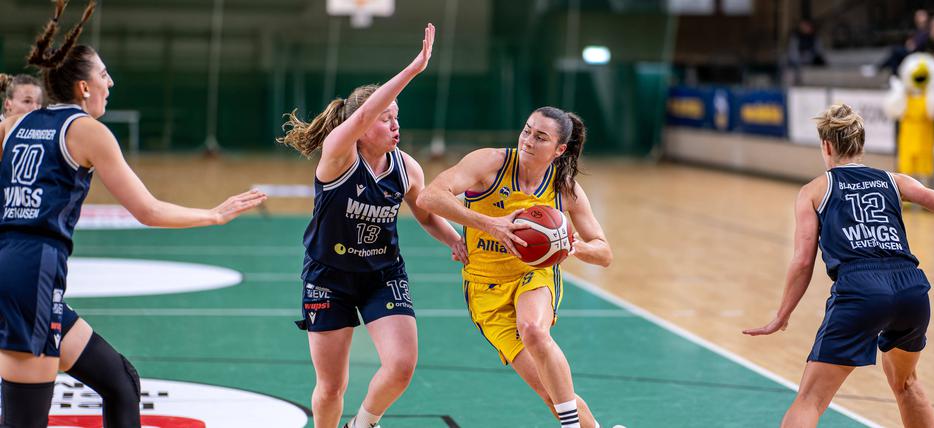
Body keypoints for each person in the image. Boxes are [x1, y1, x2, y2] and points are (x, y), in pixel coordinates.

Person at [0, 1, 267, 427]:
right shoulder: (86, 131)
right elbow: (148, 209)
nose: (111, 82)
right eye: (104, 74)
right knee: (23, 420)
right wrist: (213, 215)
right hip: (31, 273)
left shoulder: (13, 127)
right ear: (84, 88)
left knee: (120, 381)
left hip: (21, 270)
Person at [743, 104, 934, 427]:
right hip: (911, 289)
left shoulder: (814, 190)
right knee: (906, 383)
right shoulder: (894, 181)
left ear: (827, 146)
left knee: (810, 400)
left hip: (861, 290)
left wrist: (782, 314)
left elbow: (803, 260)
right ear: (862, 145)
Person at [276, 24, 467, 428]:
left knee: (401, 365)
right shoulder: (338, 157)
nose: (395, 125)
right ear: (362, 127)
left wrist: (455, 240)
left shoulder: (406, 167)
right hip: (328, 276)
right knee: (331, 387)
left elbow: (425, 212)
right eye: (385, 118)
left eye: (397, 117)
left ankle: (362, 424)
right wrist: (414, 68)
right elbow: (363, 112)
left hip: (383, 274)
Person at [417, 106, 613, 428]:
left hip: (532, 275)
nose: (528, 140)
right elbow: (430, 197)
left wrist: (573, 246)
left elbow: (604, 252)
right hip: (484, 288)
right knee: (551, 393)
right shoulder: (490, 163)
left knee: (534, 329)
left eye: (540, 137)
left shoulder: (564, 187)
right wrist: (488, 224)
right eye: (526, 130)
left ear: (559, 149)